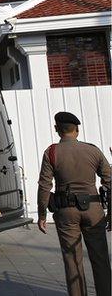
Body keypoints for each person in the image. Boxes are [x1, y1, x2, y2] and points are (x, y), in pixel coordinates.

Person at [37, 111, 111, 296]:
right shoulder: (93, 150)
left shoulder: (51, 152)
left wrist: (42, 215)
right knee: (100, 258)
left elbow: (45, 186)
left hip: (66, 211)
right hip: (94, 210)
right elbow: (109, 181)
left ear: (56, 129)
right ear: (77, 129)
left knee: (72, 260)